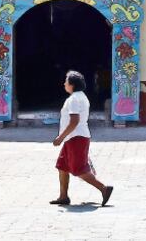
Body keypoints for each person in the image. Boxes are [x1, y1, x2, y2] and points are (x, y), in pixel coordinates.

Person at [51, 70, 114, 207]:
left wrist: (60, 137)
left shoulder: (74, 99)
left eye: (66, 81)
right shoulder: (81, 97)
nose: (64, 84)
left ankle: (103, 188)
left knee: (79, 169)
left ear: (72, 84)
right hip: (73, 138)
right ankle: (63, 196)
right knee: (62, 166)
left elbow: (74, 121)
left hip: (76, 137)